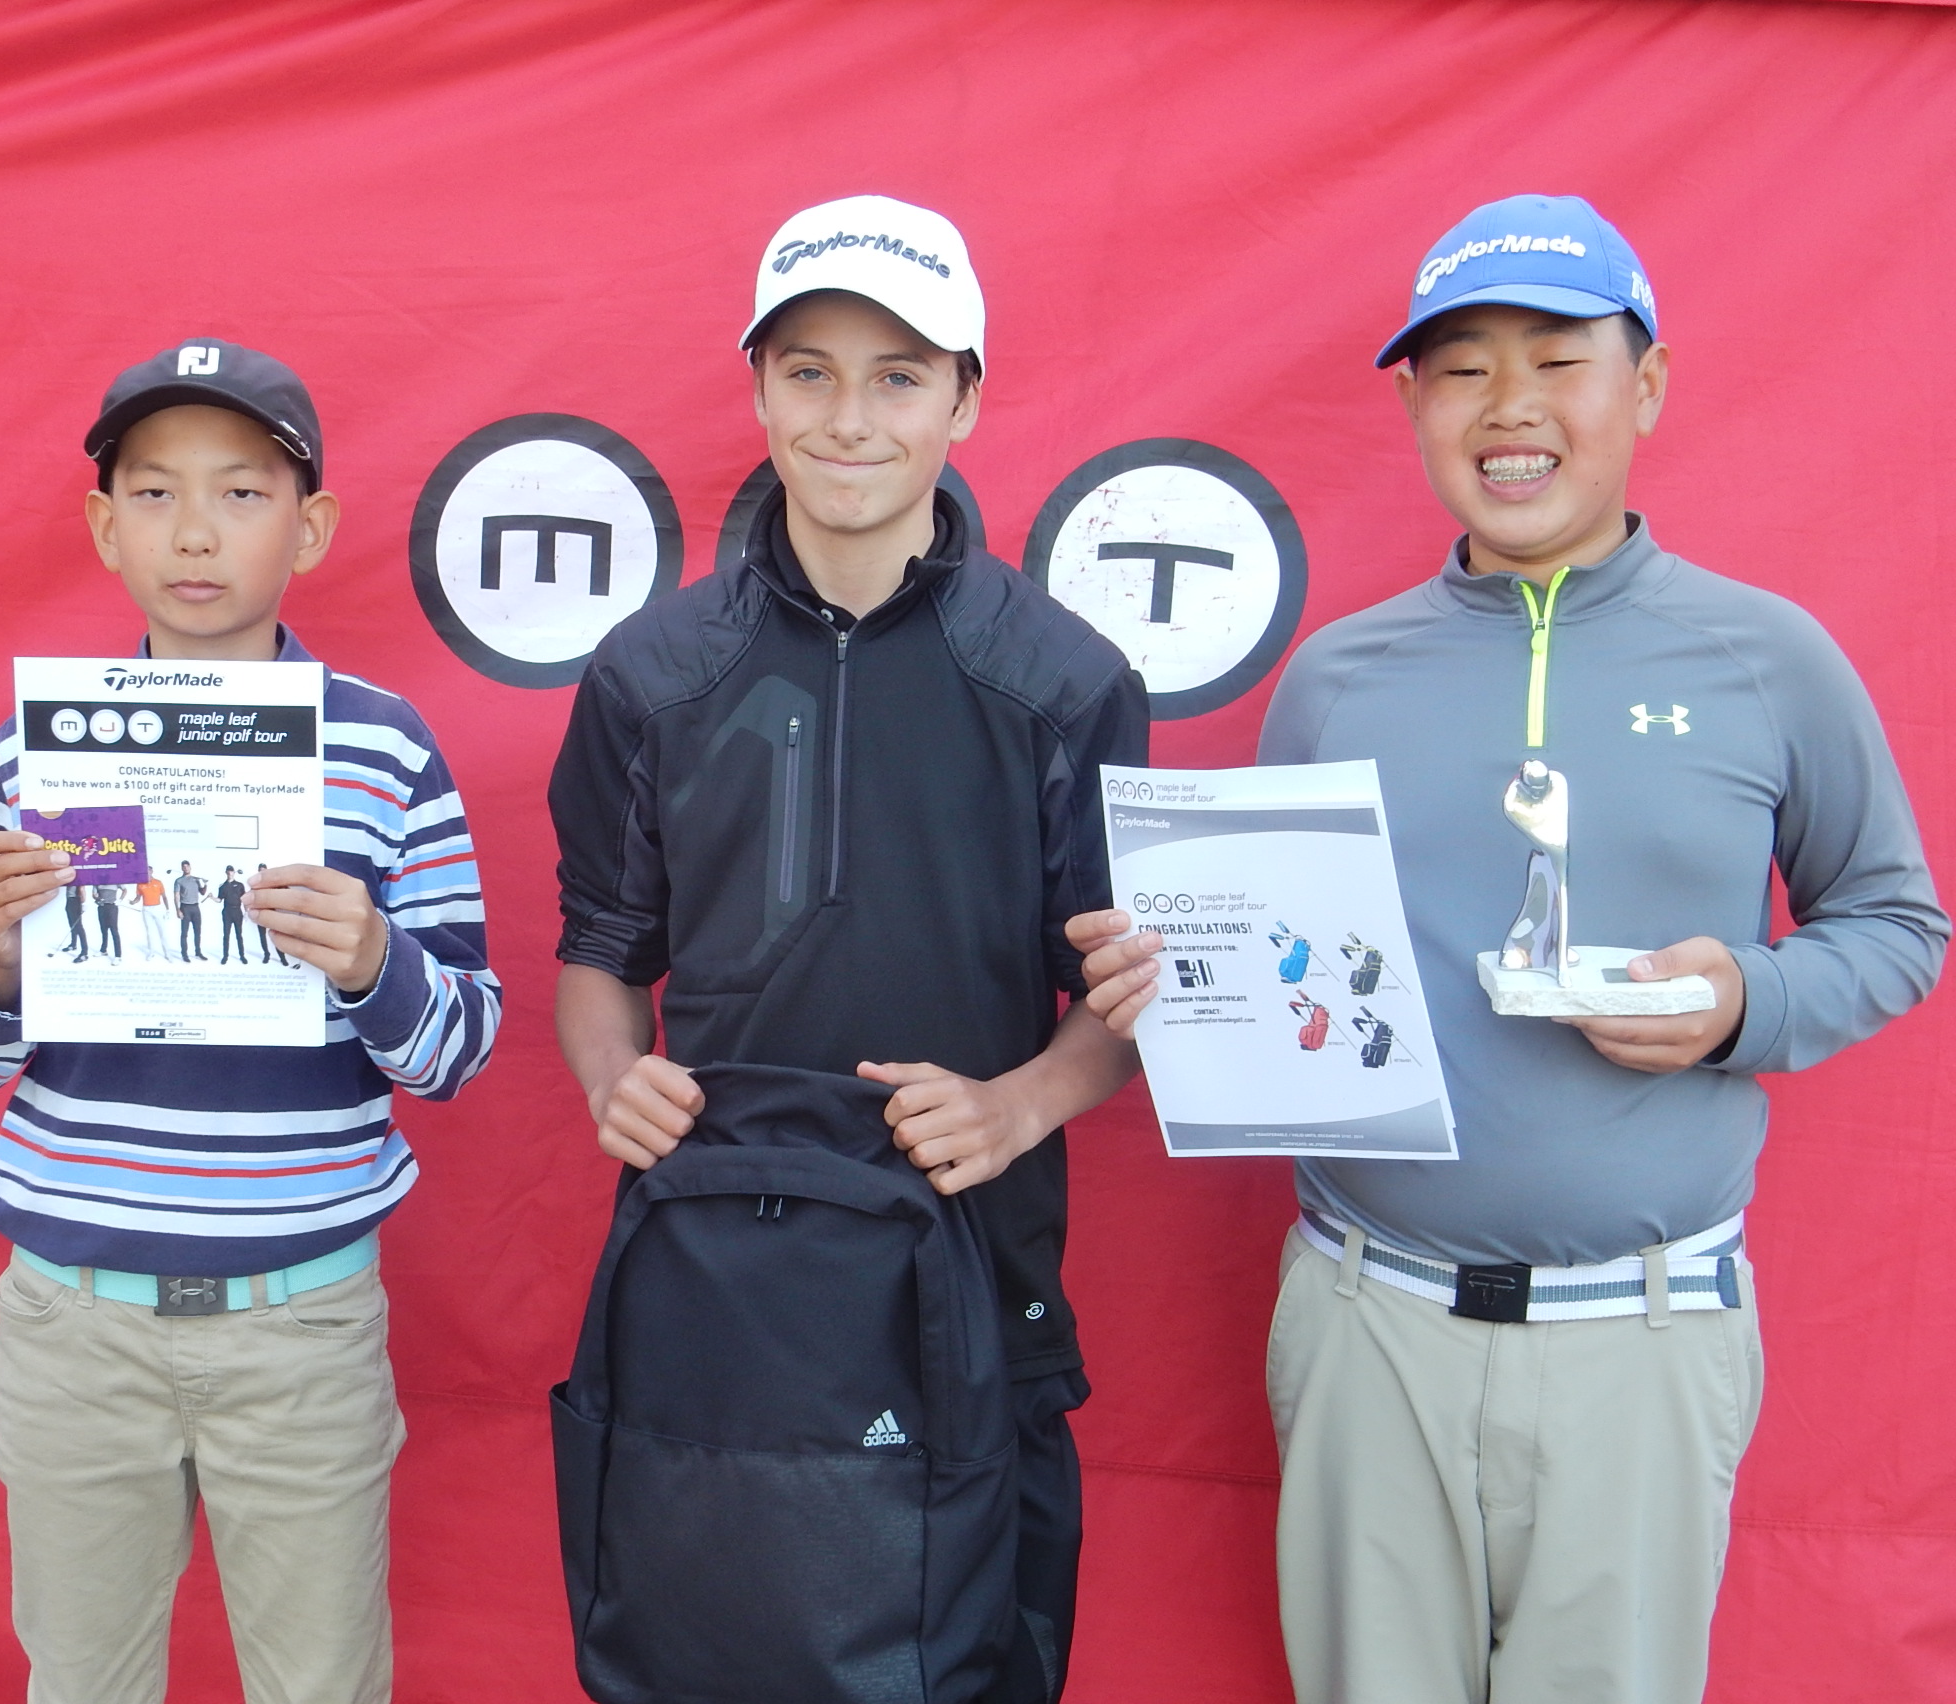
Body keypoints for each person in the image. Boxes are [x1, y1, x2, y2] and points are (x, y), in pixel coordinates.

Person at [1071, 195, 1946, 1704]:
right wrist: (1178, 985)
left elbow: (1897, 924)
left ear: (1645, 386)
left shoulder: (1767, 657)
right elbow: (1290, 973)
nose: (1510, 406)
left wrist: (1744, 998)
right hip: (1369, 1324)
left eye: (1556, 359)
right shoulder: (1338, 676)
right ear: (1415, 406)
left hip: (1643, 1335)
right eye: (1463, 368)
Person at [549, 195, 1148, 1702]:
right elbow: (599, 950)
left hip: (969, 1270)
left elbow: (1124, 995)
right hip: (717, 1282)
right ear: (757, 391)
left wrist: (1018, 1104)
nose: (850, 417)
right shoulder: (651, 673)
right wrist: (614, 1077)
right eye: (808, 372)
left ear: (964, 399)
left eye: (898, 376)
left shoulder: (1064, 681)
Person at [0, 337, 501, 1704]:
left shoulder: (384, 749)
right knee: (82, 1681)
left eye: (242, 493)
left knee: (322, 1684)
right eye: (155, 491)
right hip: (75, 1326)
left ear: (312, 528)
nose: (196, 531)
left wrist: (374, 960)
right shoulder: (42, 750)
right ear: (103, 527)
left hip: (300, 1325)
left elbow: (462, 1046)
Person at [254, 862, 291, 966]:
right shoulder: (256, 884)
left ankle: (282, 957)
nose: (263, 874)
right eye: (261, 871)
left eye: (264, 871)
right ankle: (266, 954)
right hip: (260, 912)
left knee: (276, 935)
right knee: (262, 936)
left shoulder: (273, 883)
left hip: (273, 913)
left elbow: (285, 889)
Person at [133, 872, 171, 962]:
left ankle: (167, 953)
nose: (147, 873)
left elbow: (164, 897)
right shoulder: (140, 884)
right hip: (146, 909)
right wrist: (133, 902)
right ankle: (151, 952)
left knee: (162, 931)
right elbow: (138, 897)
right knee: (150, 932)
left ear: (152, 872)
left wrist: (167, 909)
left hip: (157, 908)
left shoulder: (158, 882)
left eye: (149, 871)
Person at [174, 860, 207, 960]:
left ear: (190, 867)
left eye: (187, 866)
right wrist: (178, 910)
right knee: (184, 933)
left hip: (195, 907)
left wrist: (205, 884)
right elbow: (176, 896)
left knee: (197, 932)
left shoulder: (196, 879)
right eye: (184, 867)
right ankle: (184, 954)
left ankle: (198, 952)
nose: (186, 868)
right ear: (182, 868)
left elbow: (202, 893)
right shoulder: (179, 881)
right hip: (185, 908)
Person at [217, 865, 248, 964]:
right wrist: (212, 897)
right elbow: (219, 900)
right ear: (226, 872)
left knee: (239, 935)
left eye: (231, 871)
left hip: (237, 911)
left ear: (234, 872)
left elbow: (244, 899)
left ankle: (242, 956)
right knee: (226, 935)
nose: (230, 873)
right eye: (228, 871)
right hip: (227, 912)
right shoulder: (222, 886)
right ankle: (225, 956)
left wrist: (246, 912)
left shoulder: (240, 885)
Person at [94, 883, 124, 960]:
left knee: (114, 931)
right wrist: (97, 898)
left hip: (112, 907)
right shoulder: (97, 881)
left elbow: (125, 890)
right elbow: (94, 895)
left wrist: (120, 900)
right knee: (103, 930)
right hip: (101, 907)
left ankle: (118, 956)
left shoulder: (115, 880)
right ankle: (103, 950)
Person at [63, 881, 89, 963]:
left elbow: (82, 889)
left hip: (75, 901)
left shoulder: (79, 877)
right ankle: (73, 945)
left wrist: (84, 903)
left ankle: (84, 953)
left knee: (79, 927)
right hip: (69, 900)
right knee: (72, 925)